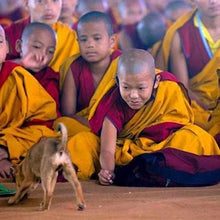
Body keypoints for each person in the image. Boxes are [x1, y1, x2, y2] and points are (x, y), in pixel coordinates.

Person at [66, 49, 220, 187]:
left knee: (198, 138)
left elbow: (178, 124)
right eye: (126, 87)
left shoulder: (169, 89)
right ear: (117, 82)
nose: (133, 95)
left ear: (155, 82)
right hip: (124, 151)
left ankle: (147, 167)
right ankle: (153, 168)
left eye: (141, 88)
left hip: (162, 146)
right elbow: (107, 150)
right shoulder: (113, 104)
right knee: (82, 142)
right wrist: (107, 171)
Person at [0, 23, 58, 180]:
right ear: (18, 46)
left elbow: (43, 124)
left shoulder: (18, 77)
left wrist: (5, 150)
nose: (41, 56)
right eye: (37, 47)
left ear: (7, 47)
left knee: (47, 139)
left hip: (9, 140)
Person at [54, 11, 121, 136]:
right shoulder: (73, 67)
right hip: (87, 127)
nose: (90, 44)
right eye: (84, 40)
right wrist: (96, 127)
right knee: (63, 123)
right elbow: (68, 113)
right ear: (77, 41)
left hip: (118, 127)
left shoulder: (121, 64)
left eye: (97, 38)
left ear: (112, 41)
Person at [156, 0, 220, 131]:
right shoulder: (181, 35)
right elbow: (184, 88)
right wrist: (210, 109)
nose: (213, 1)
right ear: (192, 1)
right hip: (199, 106)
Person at [4, 0, 79, 72]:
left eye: (55, 0)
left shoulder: (71, 37)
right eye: (40, 1)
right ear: (27, 3)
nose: (49, 7)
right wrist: (20, 63)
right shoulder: (7, 35)